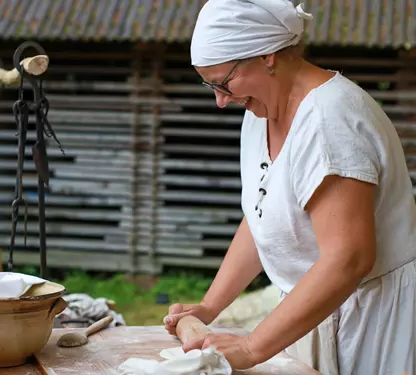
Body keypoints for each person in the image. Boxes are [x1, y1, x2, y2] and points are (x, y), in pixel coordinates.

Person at [162, 1, 416, 374]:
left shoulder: (331, 120)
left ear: (266, 56)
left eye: (223, 82)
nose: (220, 101)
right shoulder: (260, 110)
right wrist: (210, 306)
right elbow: (264, 215)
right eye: (209, 85)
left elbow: (349, 259)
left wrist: (251, 347)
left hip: (370, 317)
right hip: (311, 310)